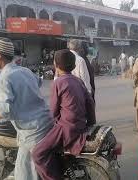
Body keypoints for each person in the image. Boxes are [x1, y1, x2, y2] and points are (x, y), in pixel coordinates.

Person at [0, 37, 53, 180]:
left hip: (32, 132)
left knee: (24, 175)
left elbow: (3, 112)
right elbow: (38, 83)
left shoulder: (5, 78)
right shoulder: (24, 70)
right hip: (46, 122)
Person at [32, 50, 96, 180]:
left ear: (56, 64)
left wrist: (55, 122)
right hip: (80, 126)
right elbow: (90, 102)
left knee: (37, 153)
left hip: (66, 128)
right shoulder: (78, 81)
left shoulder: (58, 82)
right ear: (73, 65)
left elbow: (54, 111)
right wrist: (90, 124)